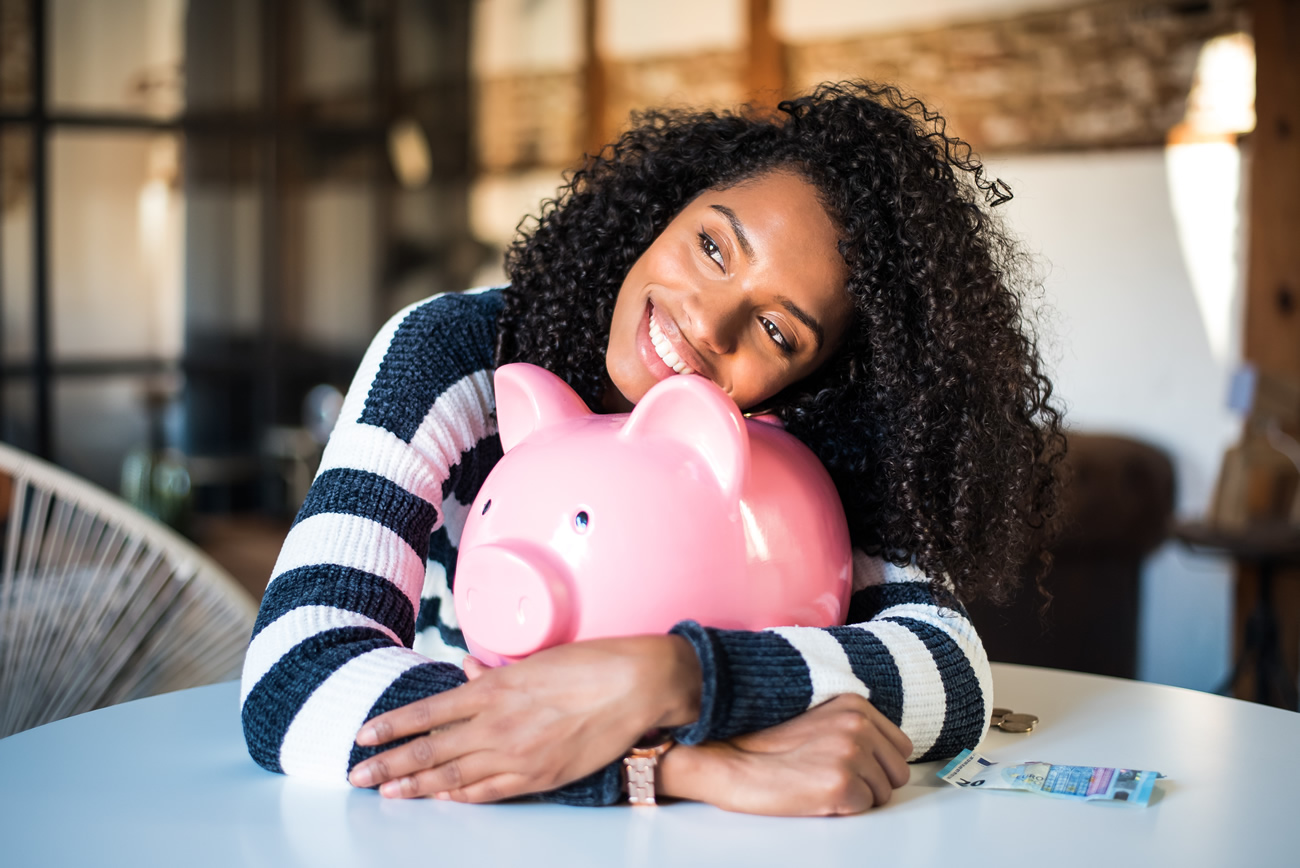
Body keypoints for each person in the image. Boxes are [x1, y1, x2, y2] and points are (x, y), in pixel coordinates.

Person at [239, 80, 1064, 816]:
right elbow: (295, 679)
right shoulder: (452, 353)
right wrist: (673, 765)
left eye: (777, 331)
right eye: (712, 247)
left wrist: (674, 675)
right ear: (666, 207)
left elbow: (951, 674)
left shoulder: (813, 442)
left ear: (816, 377)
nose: (708, 322)